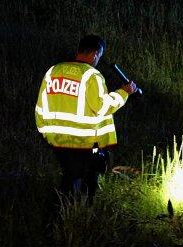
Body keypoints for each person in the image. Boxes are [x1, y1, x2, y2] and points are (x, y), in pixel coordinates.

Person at [35, 34, 137, 207]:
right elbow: (102, 107)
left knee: (72, 176)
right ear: (96, 53)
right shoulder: (91, 75)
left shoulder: (53, 71)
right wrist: (124, 93)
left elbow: (40, 107)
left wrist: (46, 134)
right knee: (77, 181)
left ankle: (69, 215)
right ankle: (61, 219)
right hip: (83, 144)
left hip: (57, 141)